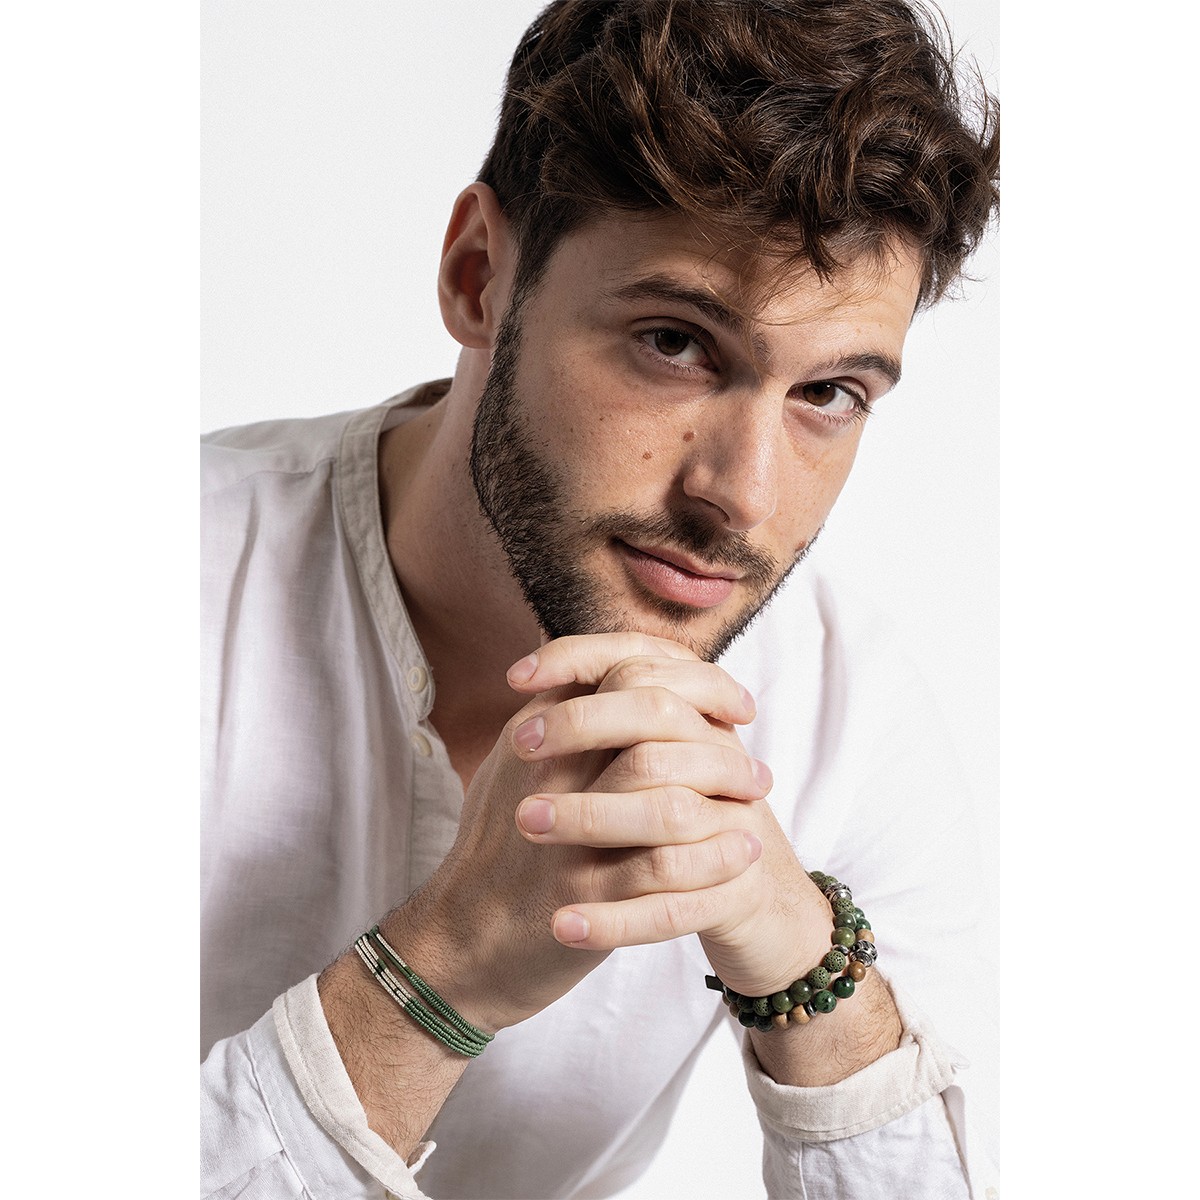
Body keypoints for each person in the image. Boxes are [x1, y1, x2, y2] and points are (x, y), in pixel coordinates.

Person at [200, 2, 1000, 1197]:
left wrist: (806, 965)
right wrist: (443, 971)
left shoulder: (848, 712)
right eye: (675, 343)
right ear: (479, 277)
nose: (742, 496)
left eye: (829, 392)